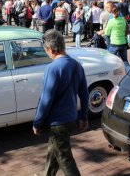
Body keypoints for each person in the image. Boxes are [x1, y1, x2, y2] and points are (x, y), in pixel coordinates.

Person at [33, 29, 89, 176]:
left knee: (64, 158)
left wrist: (37, 123)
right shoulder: (77, 65)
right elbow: (84, 94)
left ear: (50, 49)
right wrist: (84, 117)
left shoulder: (52, 68)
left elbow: (46, 100)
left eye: (46, 50)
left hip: (57, 122)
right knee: (54, 152)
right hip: (71, 118)